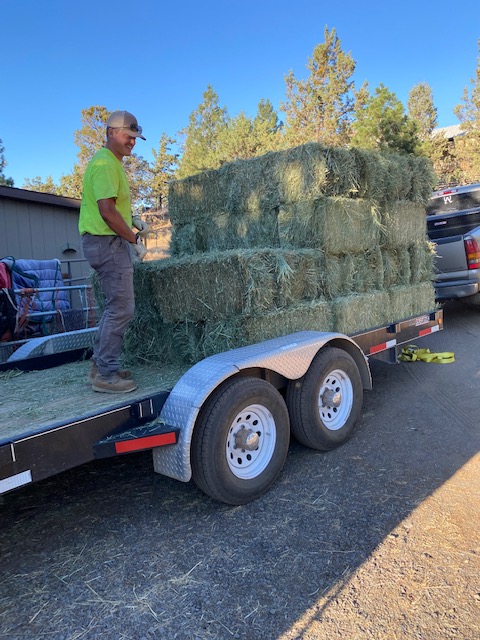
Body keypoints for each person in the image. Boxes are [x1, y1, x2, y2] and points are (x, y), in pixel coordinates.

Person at [79, 110, 149, 393]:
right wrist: (133, 238)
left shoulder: (109, 162)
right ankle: (106, 376)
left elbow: (112, 206)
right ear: (111, 133)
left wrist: (132, 219)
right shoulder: (106, 164)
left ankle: (100, 366)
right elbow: (106, 212)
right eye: (128, 136)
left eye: (135, 137)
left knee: (113, 308)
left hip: (103, 242)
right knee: (122, 308)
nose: (132, 141)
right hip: (107, 243)